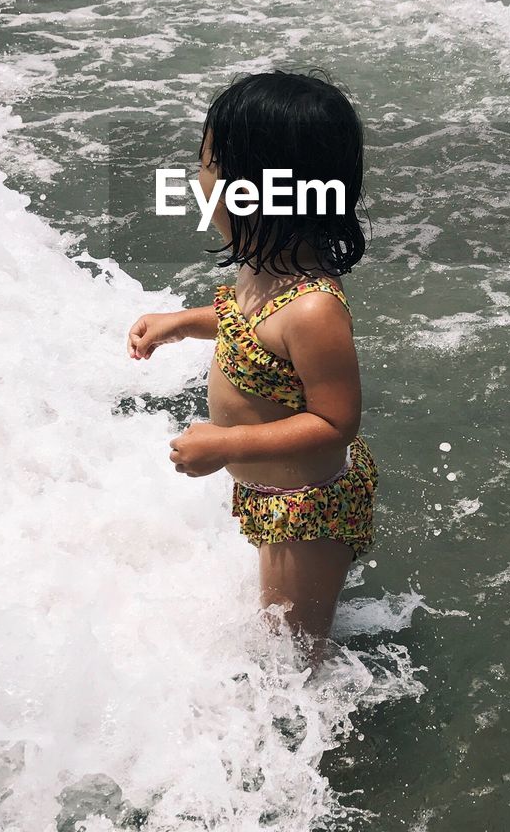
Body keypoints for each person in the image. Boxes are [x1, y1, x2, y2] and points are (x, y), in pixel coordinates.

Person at [127, 72, 377, 670]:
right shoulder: (262, 270)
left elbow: (334, 421)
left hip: (307, 508)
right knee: (276, 630)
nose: (196, 177)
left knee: (291, 662)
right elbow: (250, 326)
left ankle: (315, 748)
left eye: (207, 162)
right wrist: (186, 322)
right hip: (271, 492)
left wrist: (229, 442)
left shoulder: (314, 309)